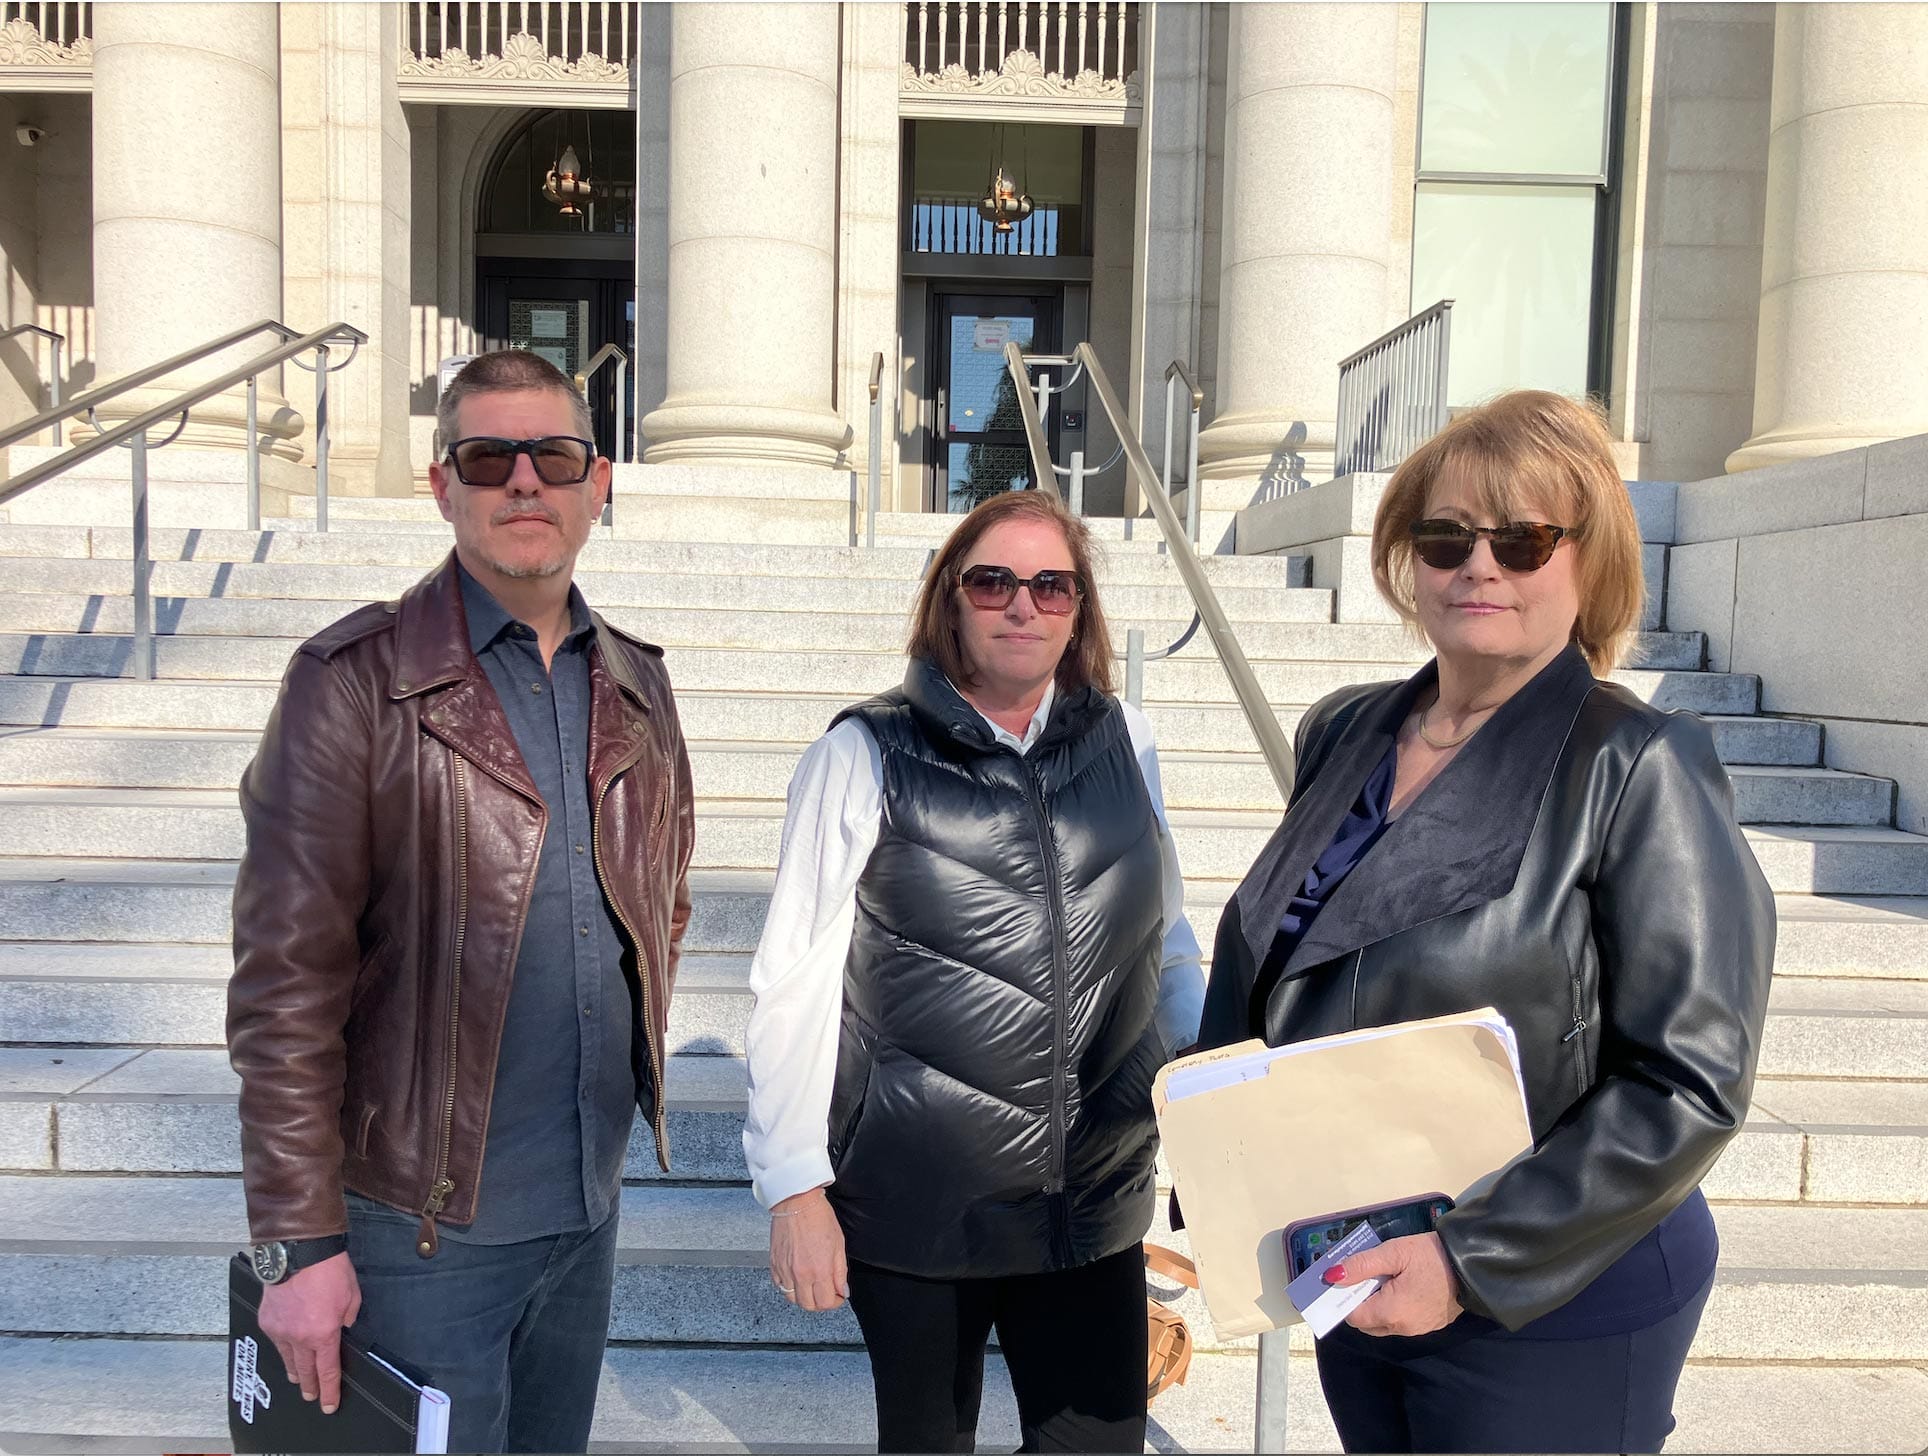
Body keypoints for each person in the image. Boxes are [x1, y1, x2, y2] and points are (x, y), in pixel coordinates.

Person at [1198, 390, 1775, 1454]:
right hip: (1359, 1260)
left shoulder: (1637, 762)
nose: (1478, 566)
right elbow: (1286, 956)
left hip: (1550, 1290)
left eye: (1521, 540)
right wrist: (1230, 1176)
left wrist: (1467, 1260)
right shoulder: (1346, 731)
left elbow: (1688, 1078)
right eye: (1445, 536)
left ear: (1590, 561)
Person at [227, 349, 695, 1453]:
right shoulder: (355, 682)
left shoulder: (638, 681)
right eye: (488, 457)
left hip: (583, 1216)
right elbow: (285, 983)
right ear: (442, 485)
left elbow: (662, 896)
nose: (524, 481)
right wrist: (298, 1240)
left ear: (598, 482)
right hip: (416, 1236)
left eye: (555, 456)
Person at [742, 489, 1205, 1453]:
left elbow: (1164, 939)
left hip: (1091, 1195)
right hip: (919, 1198)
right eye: (993, 581)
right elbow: (796, 979)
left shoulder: (1127, 740)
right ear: (949, 598)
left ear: (1080, 608)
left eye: (1052, 585)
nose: (1022, 605)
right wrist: (793, 1189)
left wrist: (1206, 1102)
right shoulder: (863, 751)